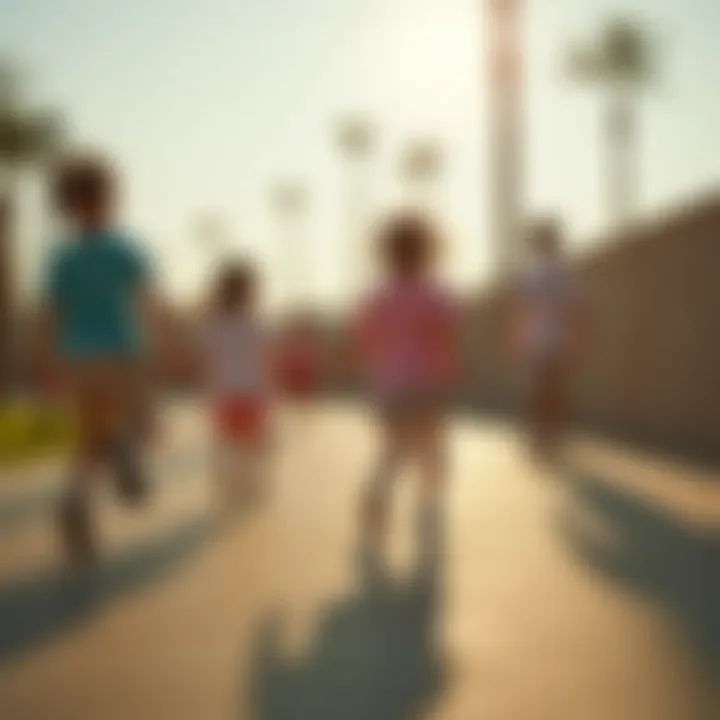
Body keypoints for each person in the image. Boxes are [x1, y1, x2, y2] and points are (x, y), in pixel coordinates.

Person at [35, 152, 161, 565]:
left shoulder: (61, 257)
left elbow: (50, 313)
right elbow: (147, 299)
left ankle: (73, 502)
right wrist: (171, 343)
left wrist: (49, 362)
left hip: (77, 354)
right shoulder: (123, 248)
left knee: (88, 442)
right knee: (143, 424)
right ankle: (122, 447)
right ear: (109, 199)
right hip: (122, 349)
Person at [352, 211, 459, 567]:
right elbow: (442, 336)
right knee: (431, 448)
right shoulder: (434, 293)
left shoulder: (378, 295)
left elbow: (366, 340)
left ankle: (376, 494)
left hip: (389, 385)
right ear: (428, 250)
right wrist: (450, 371)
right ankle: (428, 508)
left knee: (392, 450)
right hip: (426, 382)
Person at [508, 218, 588, 460]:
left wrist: (516, 336)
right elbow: (574, 308)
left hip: (538, 339)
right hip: (557, 339)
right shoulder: (564, 272)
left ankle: (541, 434)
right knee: (556, 389)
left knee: (540, 388)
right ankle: (552, 434)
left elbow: (522, 308)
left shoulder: (532, 273)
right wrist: (579, 336)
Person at [194, 261, 273, 506]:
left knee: (227, 442)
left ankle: (228, 482)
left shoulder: (212, 323)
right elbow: (265, 357)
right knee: (252, 442)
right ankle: (249, 484)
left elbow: (206, 359)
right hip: (251, 390)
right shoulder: (255, 321)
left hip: (224, 391)